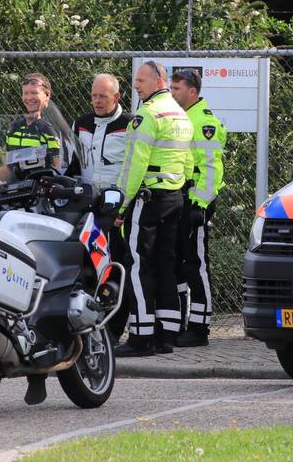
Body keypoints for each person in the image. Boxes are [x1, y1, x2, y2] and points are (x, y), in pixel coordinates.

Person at [113, 60, 193, 357]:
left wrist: (122, 204)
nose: (136, 84)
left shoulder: (147, 115)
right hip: (174, 198)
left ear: (159, 80)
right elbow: (187, 162)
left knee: (137, 264)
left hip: (147, 200)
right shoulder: (181, 116)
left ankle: (141, 337)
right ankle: (166, 335)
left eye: (141, 80)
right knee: (166, 265)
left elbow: (134, 166)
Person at [68, 73, 132, 340]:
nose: (97, 101)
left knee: (116, 266)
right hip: (87, 207)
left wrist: (123, 207)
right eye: (94, 95)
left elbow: (132, 167)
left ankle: (114, 331)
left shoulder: (130, 124)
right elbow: (72, 164)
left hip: (115, 210)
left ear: (116, 97)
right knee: (88, 266)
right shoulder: (81, 123)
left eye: (103, 96)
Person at [170, 68, 227, 347]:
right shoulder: (181, 118)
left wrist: (200, 205)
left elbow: (211, 168)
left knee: (196, 264)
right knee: (180, 263)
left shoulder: (204, 122)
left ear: (192, 91)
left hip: (196, 203)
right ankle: (182, 323)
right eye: (171, 88)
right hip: (181, 200)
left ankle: (200, 327)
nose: (172, 93)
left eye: (177, 89)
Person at [0, 73, 63, 182]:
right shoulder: (13, 128)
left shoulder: (48, 130)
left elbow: (57, 166)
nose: (29, 97)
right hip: (14, 188)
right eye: (25, 93)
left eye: (34, 93)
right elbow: (6, 163)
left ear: (47, 95)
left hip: (38, 188)